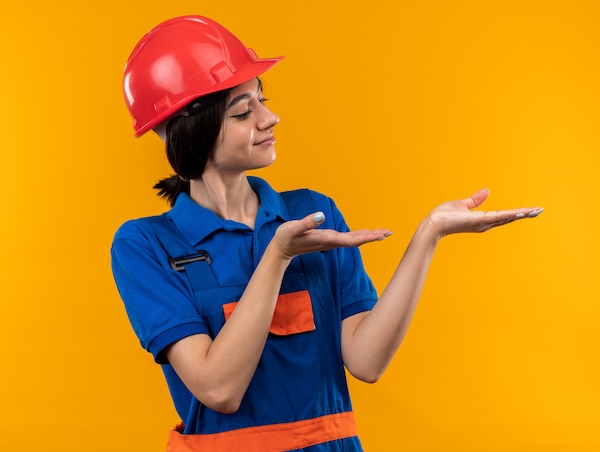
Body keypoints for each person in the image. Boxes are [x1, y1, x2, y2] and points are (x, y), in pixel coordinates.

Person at [111, 15, 543, 452]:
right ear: (192, 133)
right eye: (244, 111)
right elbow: (219, 390)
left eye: (262, 100)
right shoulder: (146, 246)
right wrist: (277, 256)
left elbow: (366, 360)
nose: (269, 118)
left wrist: (429, 234)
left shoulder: (312, 215)